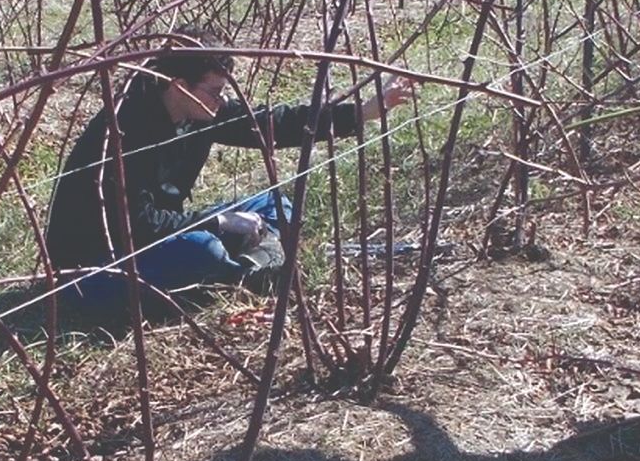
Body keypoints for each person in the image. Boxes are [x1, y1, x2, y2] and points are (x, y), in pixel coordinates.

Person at [44, 38, 412, 316]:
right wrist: (220, 222)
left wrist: (362, 113)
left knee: (274, 203)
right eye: (215, 91)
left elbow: (271, 123)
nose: (222, 101)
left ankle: (247, 266)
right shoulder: (125, 129)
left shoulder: (197, 110)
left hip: (159, 238)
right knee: (203, 250)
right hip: (94, 271)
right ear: (179, 85)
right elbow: (137, 225)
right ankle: (250, 268)